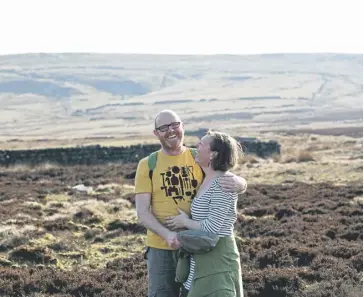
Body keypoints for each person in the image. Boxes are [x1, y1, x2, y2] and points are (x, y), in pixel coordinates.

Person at [134, 109, 247, 297]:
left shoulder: (198, 157)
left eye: (174, 125)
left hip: (198, 246)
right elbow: (142, 213)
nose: (170, 130)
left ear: (182, 126)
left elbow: (223, 176)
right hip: (162, 247)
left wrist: (240, 183)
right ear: (156, 133)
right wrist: (169, 235)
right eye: (163, 127)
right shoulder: (148, 164)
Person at [165, 129, 244, 297]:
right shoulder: (206, 178)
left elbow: (211, 229)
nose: (196, 146)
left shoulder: (223, 184)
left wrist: (184, 222)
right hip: (200, 263)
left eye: (201, 144)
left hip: (217, 263)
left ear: (213, 154)